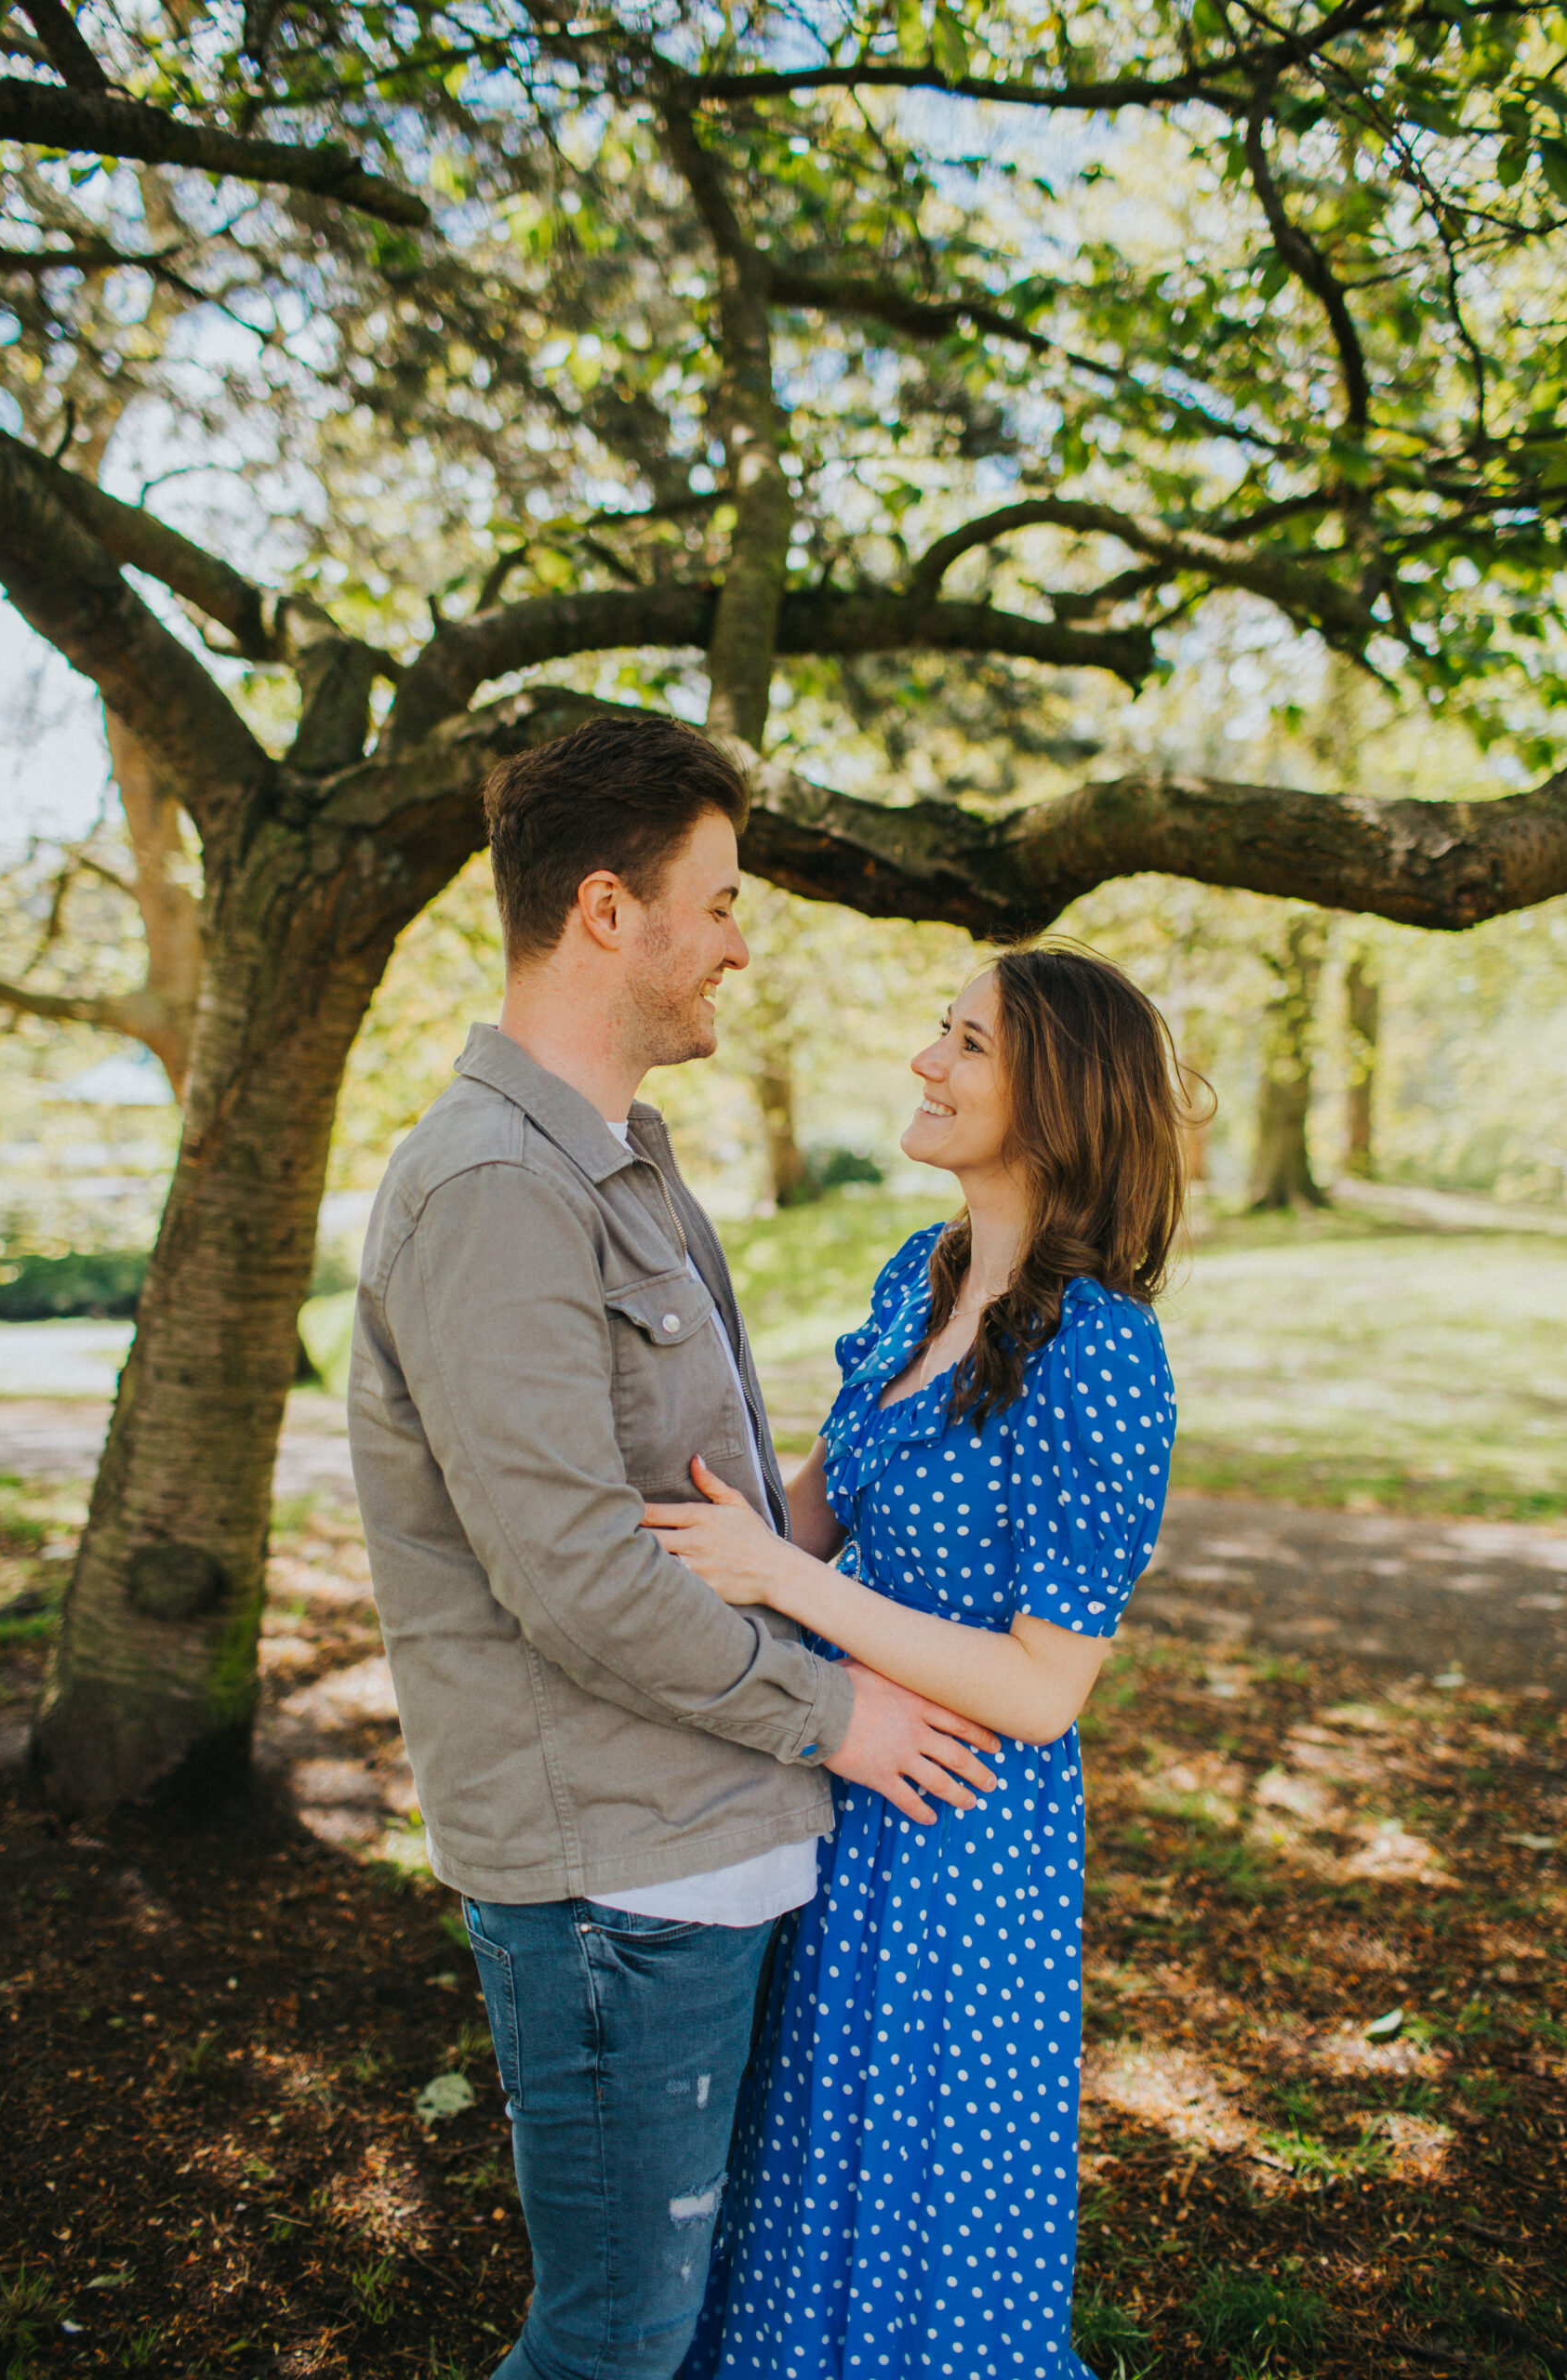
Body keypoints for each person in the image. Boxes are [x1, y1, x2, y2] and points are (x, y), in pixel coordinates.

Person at [346, 711, 997, 2380]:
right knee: (616, 2339)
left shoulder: (624, 1157)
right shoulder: (492, 1187)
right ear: (606, 911)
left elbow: (703, 1511)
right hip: (616, 1888)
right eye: (715, 901)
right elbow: (573, 1575)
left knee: (679, 2332)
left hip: (701, 1850)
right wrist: (843, 1711)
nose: (739, 943)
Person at [644, 944, 1191, 2380]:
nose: (924, 1064)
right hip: (844, 1782)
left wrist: (786, 1586)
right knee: (803, 2176)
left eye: (966, 1045)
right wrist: (684, 1525)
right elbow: (801, 1522)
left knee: (923, 2216)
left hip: (967, 1832)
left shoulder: (1108, 1356)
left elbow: (1040, 1687)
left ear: (1057, 1103)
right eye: (937, 1032)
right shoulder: (921, 1273)